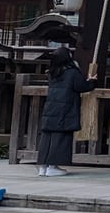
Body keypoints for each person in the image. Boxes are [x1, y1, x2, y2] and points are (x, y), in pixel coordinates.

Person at [38, 47, 96, 177]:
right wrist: (92, 81)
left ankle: (43, 166)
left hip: (50, 108)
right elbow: (82, 87)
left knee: (47, 137)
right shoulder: (71, 72)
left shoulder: (52, 72)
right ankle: (53, 166)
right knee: (60, 137)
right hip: (65, 109)